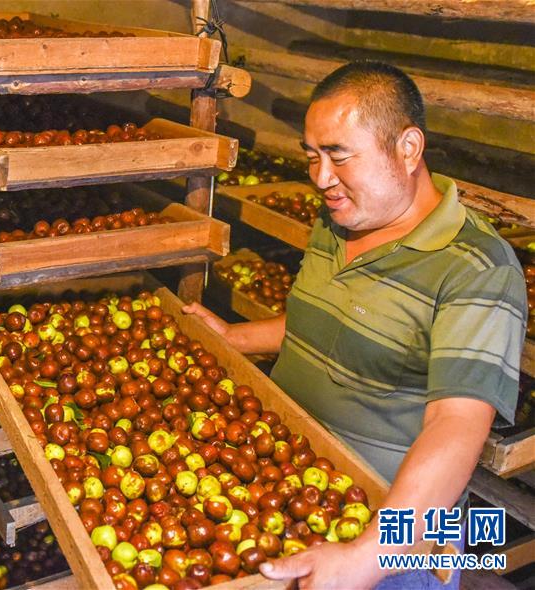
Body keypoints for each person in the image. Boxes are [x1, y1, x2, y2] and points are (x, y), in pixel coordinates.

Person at [184, 60, 526, 589]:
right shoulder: (339, 218)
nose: (321, 178)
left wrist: (369, 556)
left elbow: (456, 424)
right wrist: (234, 338)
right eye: (312, 156)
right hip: (290, 489)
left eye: (339, 155)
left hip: (389, 537)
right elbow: (322, 324)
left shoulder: (476, 268)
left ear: (407, 149)